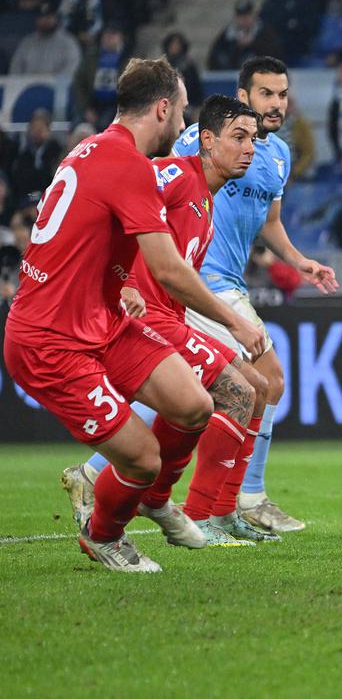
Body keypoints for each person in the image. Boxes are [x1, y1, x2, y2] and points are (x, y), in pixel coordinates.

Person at [3, 59, 263, 573]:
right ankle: (104, 535)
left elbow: (87, 234)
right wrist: (235, 321)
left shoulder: (91, 148)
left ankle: (151, 496)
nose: (184, 125)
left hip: (102, 319)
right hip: (51, 339)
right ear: (162, 108)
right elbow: (167, 269)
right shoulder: (132, 165)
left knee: (194, 404)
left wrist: (120, 283)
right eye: (183, 111)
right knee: (143, 456)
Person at [75, 57, 338, 535]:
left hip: (221, 282)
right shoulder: (198, 142)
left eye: (282, 94)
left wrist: (298, 261)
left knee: (198, 391)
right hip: (198, 284)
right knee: (262, 380)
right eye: (265, 94)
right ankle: (236, 501)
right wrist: (129, 276)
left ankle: (96, 474)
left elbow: (271, 225)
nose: (275, 104)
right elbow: (151, 192)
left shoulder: (274, 155)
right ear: (242, 97)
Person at [61, 95, 276, 547]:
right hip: (147, 318)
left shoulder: (207, 204)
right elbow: (116, 205)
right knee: (238, 391)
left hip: (170, 316)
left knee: (253, 388)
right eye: (238, 137)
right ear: (207, 140)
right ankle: (192, 510)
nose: (250, 149)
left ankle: (208, 508)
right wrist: (124, 282)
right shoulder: (176, 173)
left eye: (253, 140)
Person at [9, 2, 81, 76]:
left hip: (57, 85)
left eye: (49, 17)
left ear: (56, 19)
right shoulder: (27, 41)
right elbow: (15, 68)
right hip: (27, 85)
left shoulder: (68, 42)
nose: (45, 21)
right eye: (41, 17)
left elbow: (72, 69)